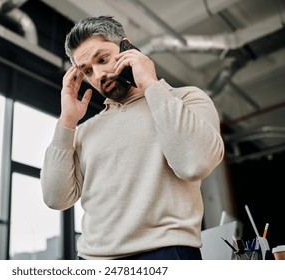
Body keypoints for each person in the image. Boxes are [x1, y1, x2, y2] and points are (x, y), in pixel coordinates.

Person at [40, 15, 224, 260]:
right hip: (91, 260)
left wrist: (149, 82)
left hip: (166, 254)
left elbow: (195, 163)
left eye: (102, 59)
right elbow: (56, 198)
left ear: (127, 47)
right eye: (87, 71)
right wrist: (67, 121)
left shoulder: (185, 99)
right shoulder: (85, 130)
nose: (98, 75)